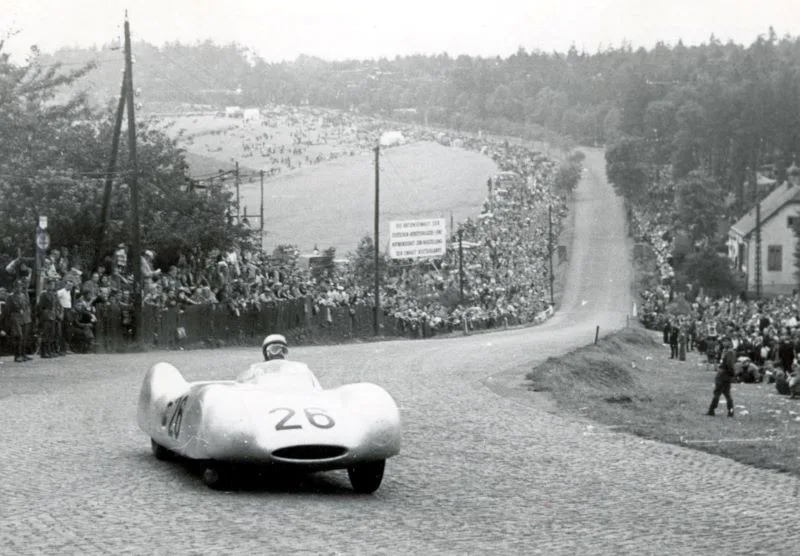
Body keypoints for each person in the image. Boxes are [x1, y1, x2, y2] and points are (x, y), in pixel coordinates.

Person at [707, 336, 736, 417]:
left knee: (718, 392)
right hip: (724, 374)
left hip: (724, 374)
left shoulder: (730, 352)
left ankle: (711, 410)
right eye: (723, 341)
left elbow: (729, 365)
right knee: (727, 394)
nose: (724, 343)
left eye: (726, 341)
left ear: (730, 342)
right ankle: (730, 411)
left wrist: (732, 374)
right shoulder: (725, 351)